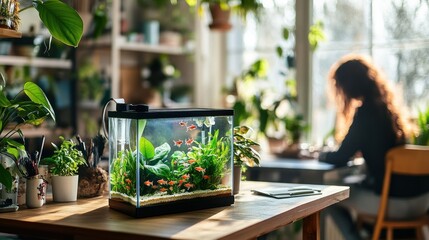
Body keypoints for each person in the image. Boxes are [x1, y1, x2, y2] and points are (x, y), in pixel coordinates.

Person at [319, 54, 429, 225]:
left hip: (394, 202)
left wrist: (320, 155)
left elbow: (341, 156)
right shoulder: (388, 110)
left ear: (348, 86)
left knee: (327, 200)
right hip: (421, 201)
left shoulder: (366, 113)